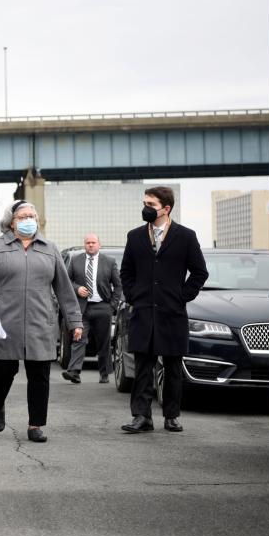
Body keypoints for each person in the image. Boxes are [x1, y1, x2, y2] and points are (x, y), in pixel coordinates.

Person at [0, 200, 83, 442]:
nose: (28, 220)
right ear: (11, 223)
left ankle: (35, 425)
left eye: (32, 216)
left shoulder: (50, 249)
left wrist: (75, 321)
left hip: (40, 321)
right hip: (3, 322)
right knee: (3, 371)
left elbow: (65, 289)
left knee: (39, 375)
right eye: (23, 216)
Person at [119, 186, 208, 434]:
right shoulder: (135, 236)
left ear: (166, 209)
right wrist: (133, 296)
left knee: (173, 368)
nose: (145, 208)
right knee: (143, 367)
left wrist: (182, 297)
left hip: (172, 313)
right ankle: (141, 416)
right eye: (144, 202)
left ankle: (171, 416)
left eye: (151, 204)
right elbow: (126, 272)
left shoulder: (186, 236)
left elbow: (200, 272)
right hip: (143, 312)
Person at [63, 233, 122, 384]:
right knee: (79, 339)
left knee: (103, 342)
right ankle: (74, 372)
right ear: (85, 245)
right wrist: (77, 289)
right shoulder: (76, 260)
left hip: (103, 307)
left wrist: (112, 306)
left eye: (93, 242)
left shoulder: (109, 262)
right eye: (88, 242)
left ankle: (104, 373)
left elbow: (118, 285)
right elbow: (67, 281)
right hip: (82, 308)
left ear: (99, 245)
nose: (90, 245)